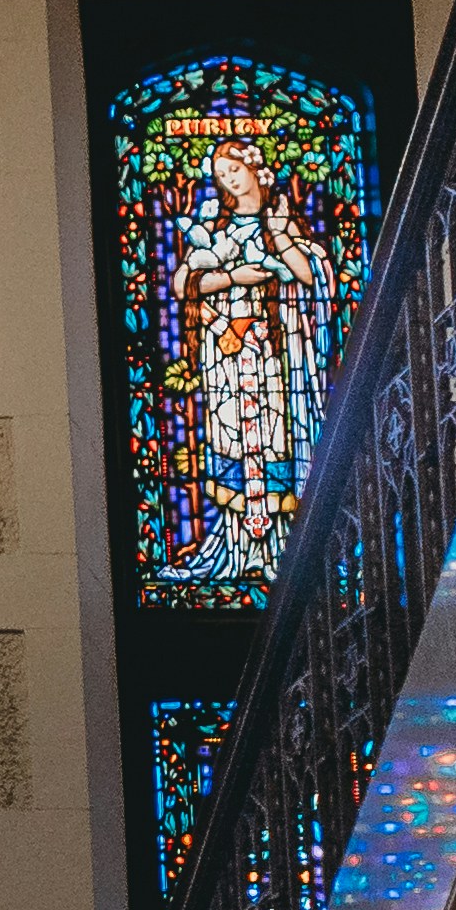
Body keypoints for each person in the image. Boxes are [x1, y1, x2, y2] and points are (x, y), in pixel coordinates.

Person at [172, 137, 332, 587]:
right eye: (221, 175)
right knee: (231, 439)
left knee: (274, 436)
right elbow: (184, 283)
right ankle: (236, 550)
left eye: (233, 170)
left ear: (253, 167)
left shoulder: (279, 221)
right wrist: (231, 277)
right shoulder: (216, 224)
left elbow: (313, 276)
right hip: (223, 350)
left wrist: (280, 236)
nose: (228, 180)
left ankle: (282, 548)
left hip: (275, 353)